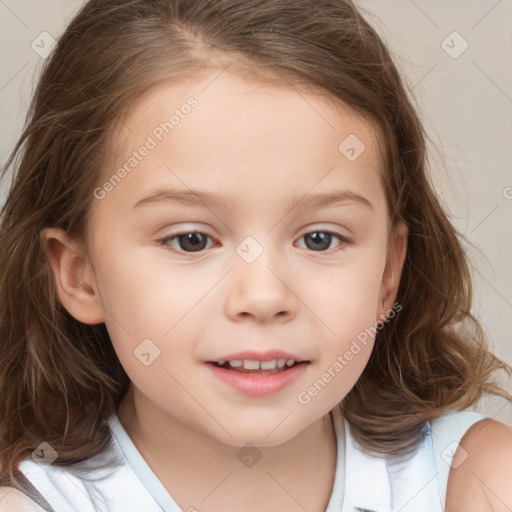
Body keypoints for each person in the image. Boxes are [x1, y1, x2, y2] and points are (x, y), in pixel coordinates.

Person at [1, 0, 511, 511]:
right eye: (191, 240)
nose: (264, 296)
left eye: (319, 238)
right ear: (80, 276)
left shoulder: (474, 482)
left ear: (387, 274)